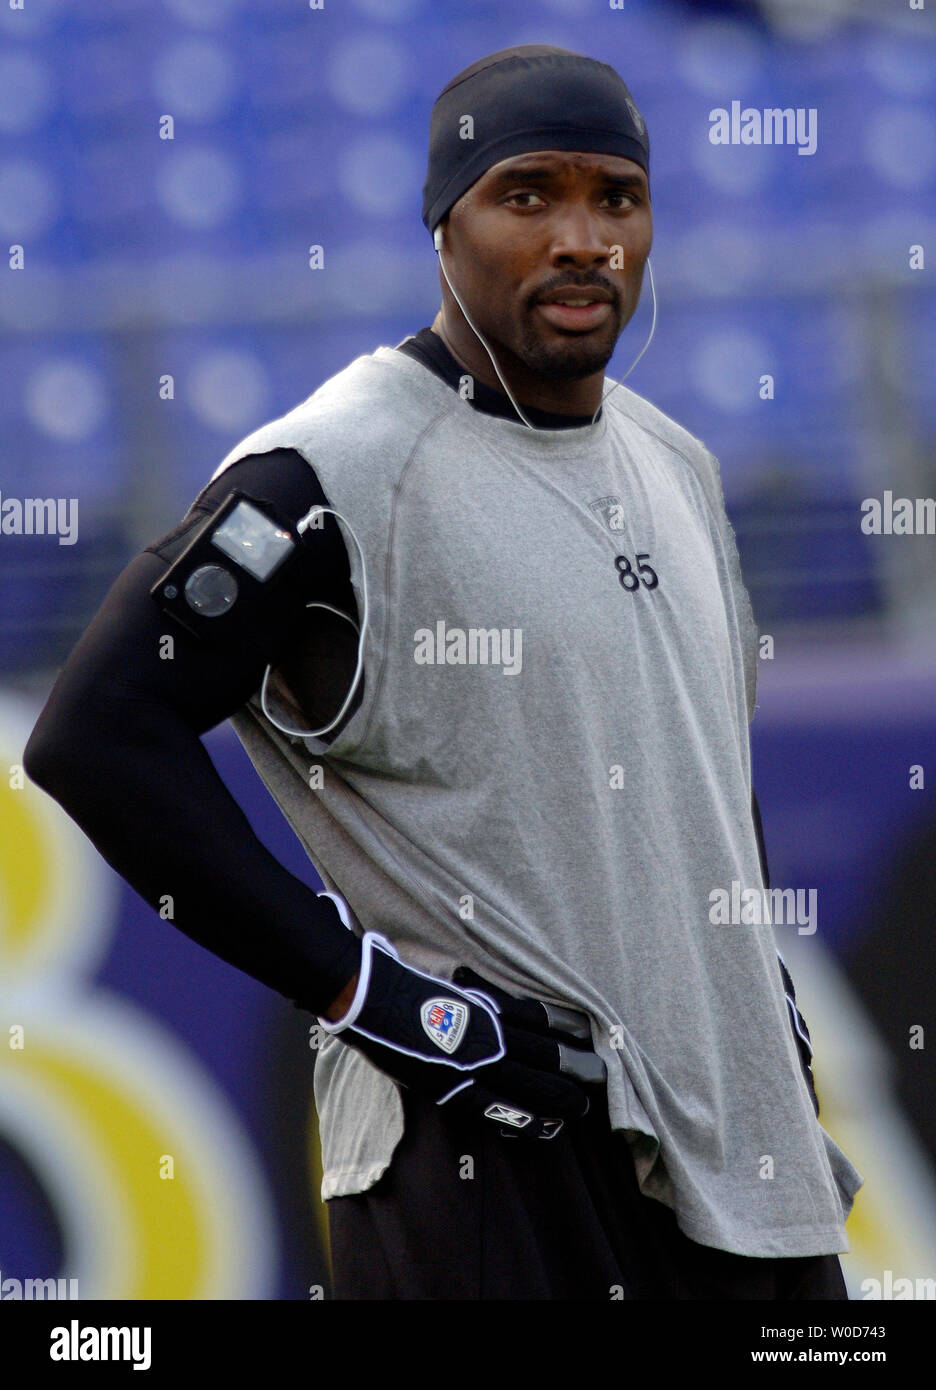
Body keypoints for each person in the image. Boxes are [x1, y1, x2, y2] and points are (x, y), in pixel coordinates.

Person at [24, 44, 863, 1300]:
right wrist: (374, 993)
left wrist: (761, 988)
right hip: (490, 1151)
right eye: (528, 195)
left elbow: (703, 767)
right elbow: (94, 737)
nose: (581, 238)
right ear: (445, 222)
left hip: (741, 1149)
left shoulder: (677, 461)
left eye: (615, 199)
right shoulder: (332, 467)